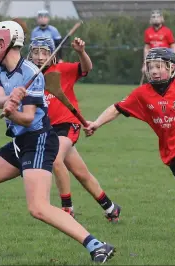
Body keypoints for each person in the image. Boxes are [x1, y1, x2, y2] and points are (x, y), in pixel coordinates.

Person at [0, 20, 115, 263]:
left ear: (8, 43)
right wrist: (8, 100)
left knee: (38, 207)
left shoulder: (32, 74)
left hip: (39, 140)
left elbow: (28, 118)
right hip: (19, 142)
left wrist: (14, 112)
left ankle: (97, 245)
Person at [84, 47, 175, 247]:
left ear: (171, 69)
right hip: (173, 156)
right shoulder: (143, 94)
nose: (154, 70)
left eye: (159, 66)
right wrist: (97, 123)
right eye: (151, 66)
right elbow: (117, 108)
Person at [27, 36, 121, 221]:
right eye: (36, 52)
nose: (40, 56)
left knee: (54, 159)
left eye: (44, 52)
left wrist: (81, 52)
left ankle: (67, 209)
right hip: (48, 129)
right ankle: (111, 208)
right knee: (81, 173)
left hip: (67, 124)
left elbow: (86, 68)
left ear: (52, 54)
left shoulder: (62, 70)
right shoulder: (28, 77)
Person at [142, 10, 175, 74]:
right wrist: (145, 63)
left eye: (158, 17)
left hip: (164, 59)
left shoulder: (167, 31)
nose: (156, 19)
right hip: (153, 59)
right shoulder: (147, 31)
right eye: (154, 17)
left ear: (161, 18)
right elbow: (146, 48)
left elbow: (173, 46)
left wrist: (174, 60)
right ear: (151, 19)